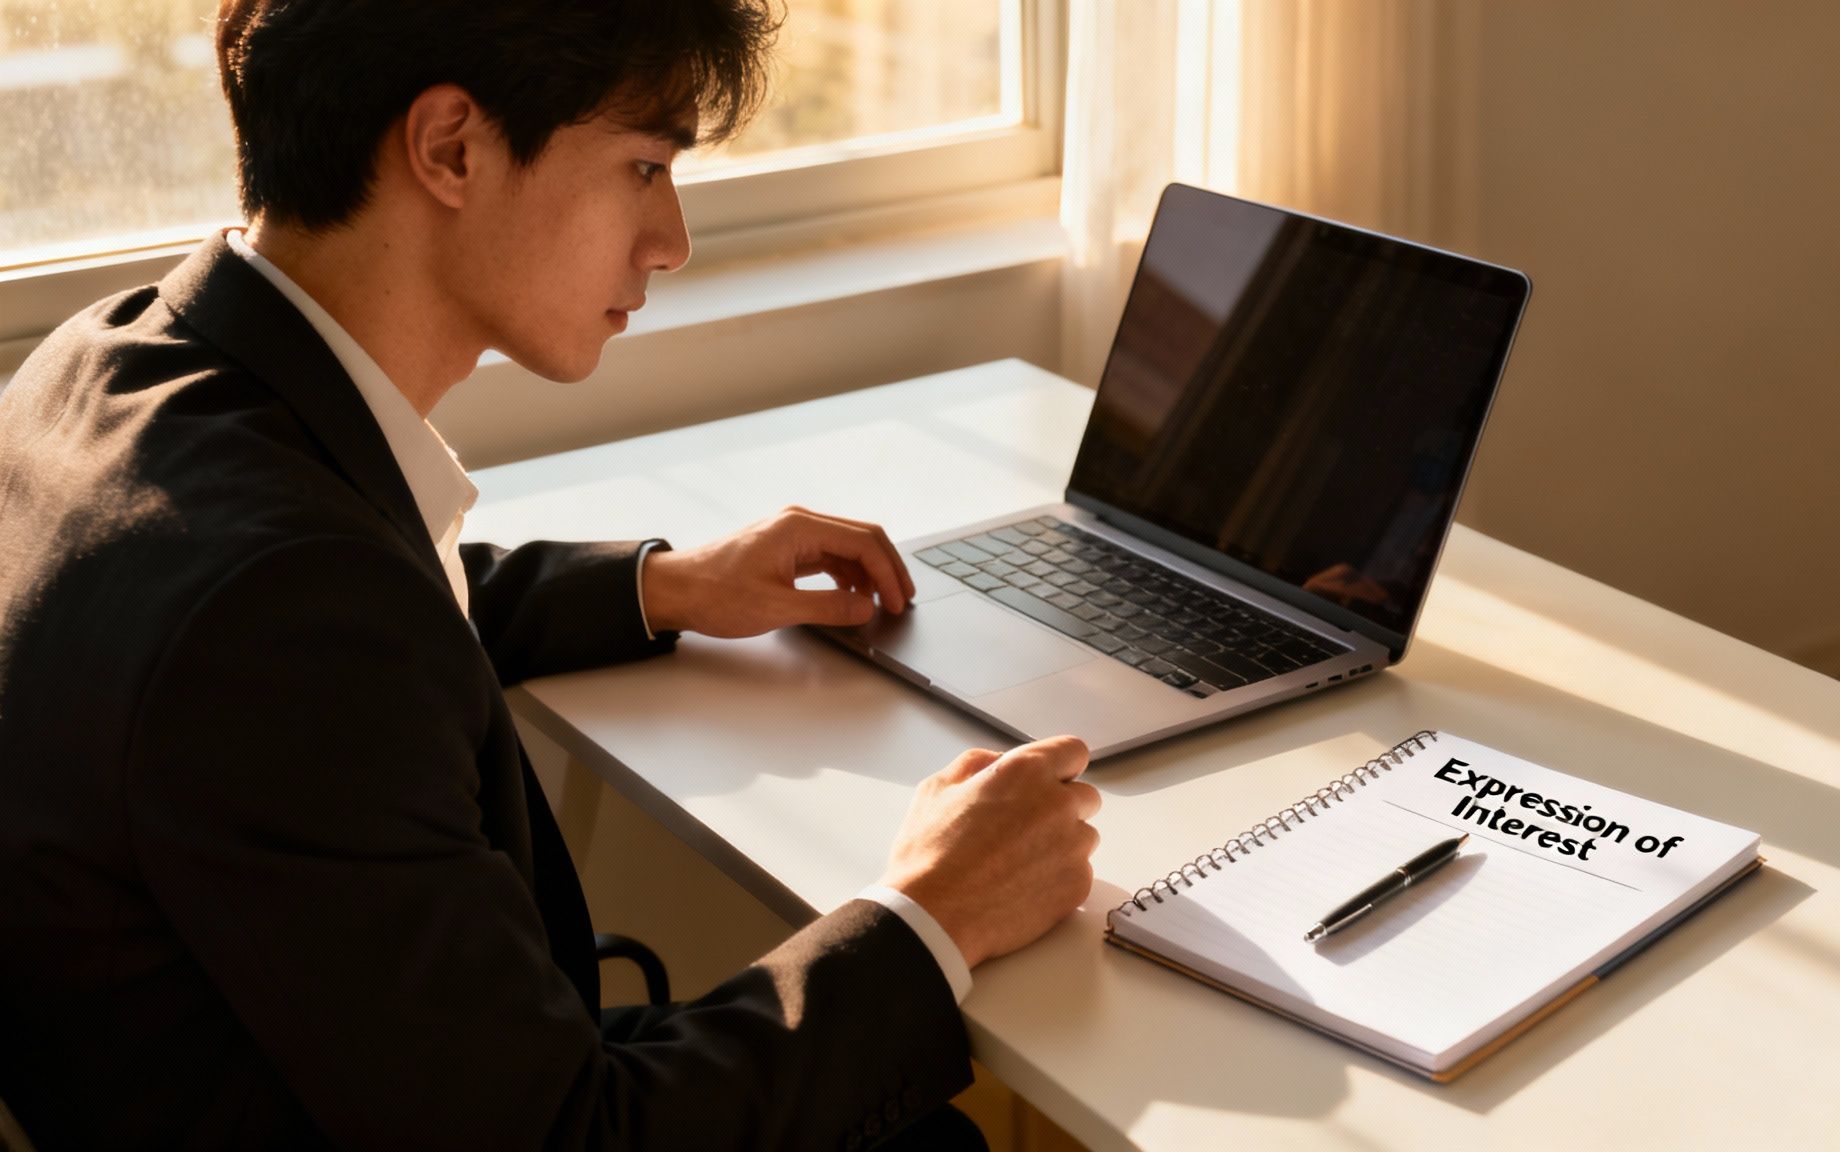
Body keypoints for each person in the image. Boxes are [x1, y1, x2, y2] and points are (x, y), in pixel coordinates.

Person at [0, 2, 1100, 1148]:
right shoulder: (287, 620)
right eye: (642, 166)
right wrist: (930, 912)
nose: (668, 240)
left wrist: (662, 585)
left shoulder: (111, 367)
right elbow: (570, 1136)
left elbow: (344, 606)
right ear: (450, 148)